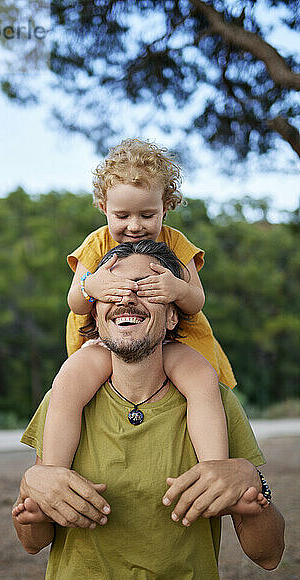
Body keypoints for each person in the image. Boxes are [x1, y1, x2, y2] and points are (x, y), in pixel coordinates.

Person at [12, 241, 284, 580]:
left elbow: (267, 555)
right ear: (94, 314)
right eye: (113, 289)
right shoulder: (65, 400)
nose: (126, 298)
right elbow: (34, 542)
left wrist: (254, 483)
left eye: (147, 286)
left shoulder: (214, 401)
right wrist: (32, 493)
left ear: (173, 315)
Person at [42, 139, 239, 474]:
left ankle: (213, 469)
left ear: (166, 206)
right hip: (107, 340)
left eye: (147, 214)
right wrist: (93, 284)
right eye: (122, 215)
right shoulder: (98, 243)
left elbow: (196, 302)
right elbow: (75, 301)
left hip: (173, 339)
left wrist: (177, 287)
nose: (134, 225)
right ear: (104, 207)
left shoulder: (175, 243)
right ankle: (53, 471)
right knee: (69, 382)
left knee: (201, 378)